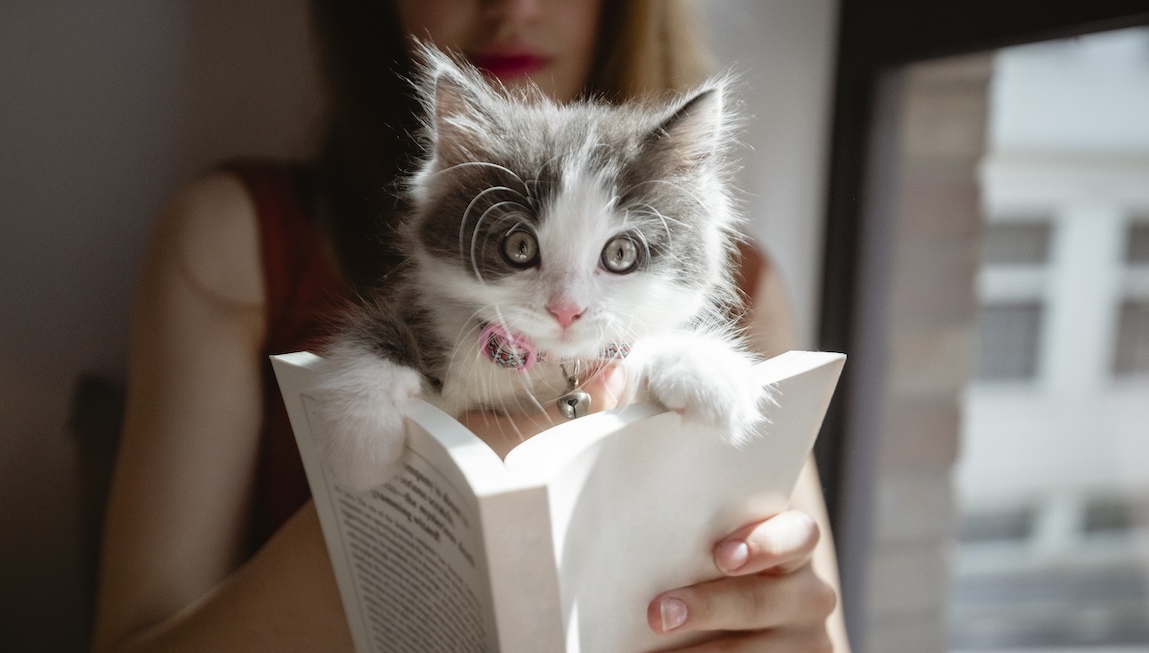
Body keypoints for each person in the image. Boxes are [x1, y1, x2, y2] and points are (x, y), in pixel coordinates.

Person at [91, 1, 850, 651]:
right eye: (518, 248)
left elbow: (815, 621)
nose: (511, 5)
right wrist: (389, 528)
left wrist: (791, 628)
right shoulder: (233, 240)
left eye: (620, 254)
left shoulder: (742, 292)